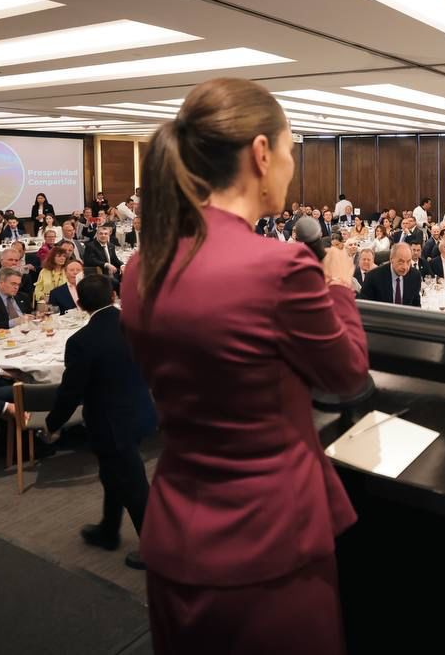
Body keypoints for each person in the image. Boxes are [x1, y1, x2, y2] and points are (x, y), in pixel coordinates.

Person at [120, 79, 368, 653]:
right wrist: (338, 285)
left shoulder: (142, 265)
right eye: (290, 150)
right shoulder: (278, 267)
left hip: (177, 531)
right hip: (270, 541)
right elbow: (347, 373)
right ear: (261, 153)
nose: (290, 167)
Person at [39, 275, 155, 570]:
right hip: (141, 410)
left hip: (110, 421)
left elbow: (71, 391)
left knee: (133, 483)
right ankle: (108, 530)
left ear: (79, 304)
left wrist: (52, 423)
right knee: (112, 473)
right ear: (113, 295)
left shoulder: (82, 341)